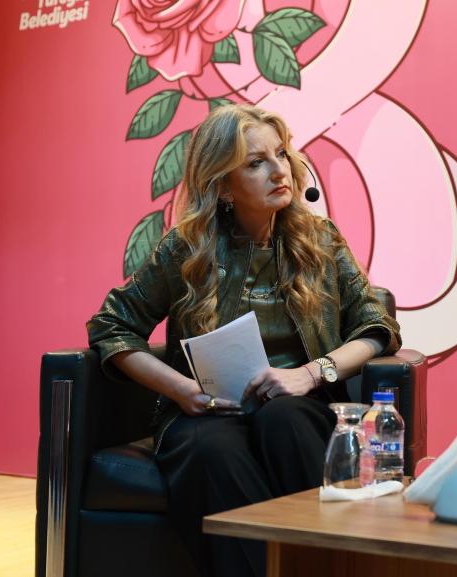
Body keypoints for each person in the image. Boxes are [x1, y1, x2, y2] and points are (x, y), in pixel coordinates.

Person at [87, 104, 401, 577]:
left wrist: (310, 374)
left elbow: (377, 327)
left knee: (283, 419)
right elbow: (112, 326)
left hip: (299, 404)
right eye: (256, 163)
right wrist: (181, 390)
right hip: (207, 413)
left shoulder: (321, 239)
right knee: (210, 449)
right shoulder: (186, 247)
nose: (280, 170)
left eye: (281, 154)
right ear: (223, 187)